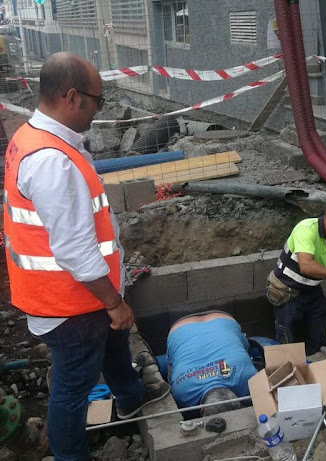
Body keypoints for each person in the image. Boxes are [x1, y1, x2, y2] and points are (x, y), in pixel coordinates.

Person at [2, 52, 169, 461]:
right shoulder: (52, 162)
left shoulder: (36, 138)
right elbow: (75, 251)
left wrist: (110, 302)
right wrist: (114, 302)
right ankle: (70, 454)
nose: (99, 109)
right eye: (97, 100)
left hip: (81, 297)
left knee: (113, 346)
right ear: (72, 97)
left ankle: (130, 397)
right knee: (72, 388)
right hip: (70, 303)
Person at [268, 202, 326, 355]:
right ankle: (291, 368)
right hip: (287, 291)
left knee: (320, 333)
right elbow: (306, 266)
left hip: (311, 290)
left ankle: (317, 362)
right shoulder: (306, 230)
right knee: (288, 338)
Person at [166, 312, 257, 414]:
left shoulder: (249, 380)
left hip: (218, 321)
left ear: (202, 409)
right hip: (186, 329)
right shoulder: (181, 392)